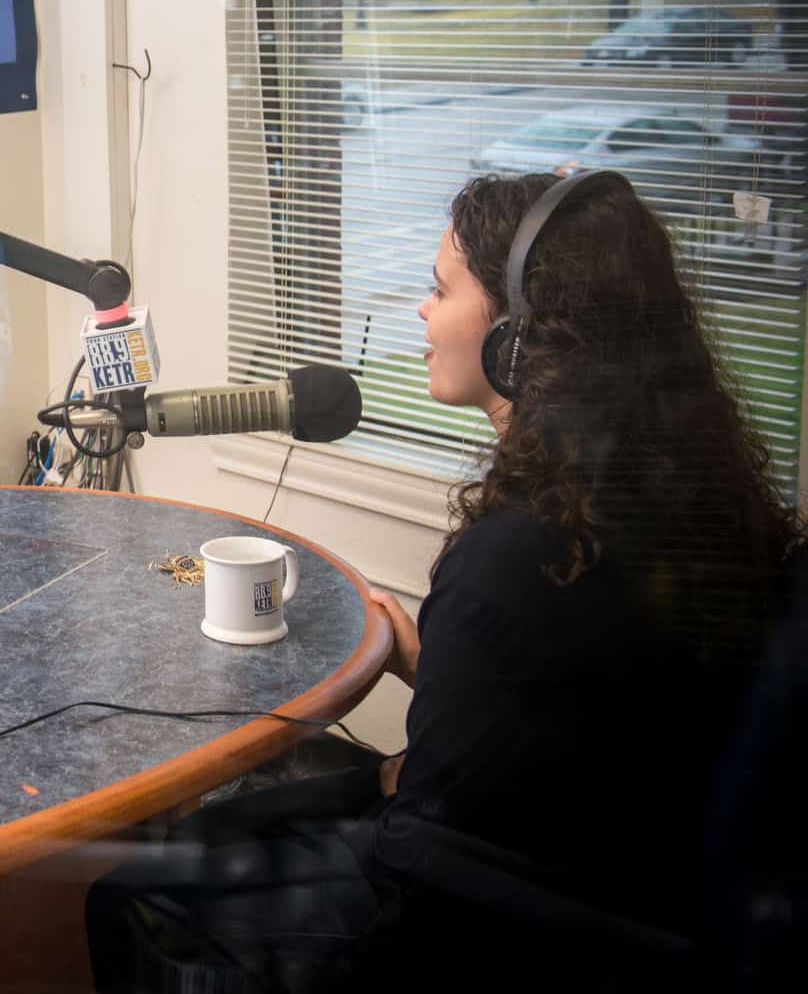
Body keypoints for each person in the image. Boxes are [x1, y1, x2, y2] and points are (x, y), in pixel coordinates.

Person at [85, 170, 801, 991]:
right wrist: (439, 666)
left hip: (467, 931)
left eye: (440, 289)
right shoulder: (686, 502)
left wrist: (386, 762)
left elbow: (423, 843)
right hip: (629, 873)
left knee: (126, 887)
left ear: (519, 335)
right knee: (254, 808)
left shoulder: (513, 556)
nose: (421, 311)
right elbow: (597, 727)